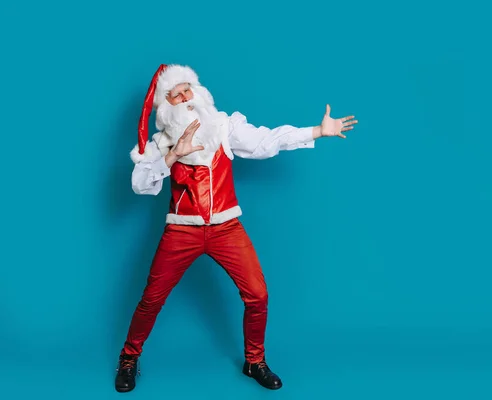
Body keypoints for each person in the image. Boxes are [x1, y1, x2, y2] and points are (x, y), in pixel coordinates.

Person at [115, 63, 358, 393]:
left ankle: (254, 361)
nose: (186, 96)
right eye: (176, 94)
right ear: (165, 105)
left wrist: (316, 131)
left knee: (258, 294)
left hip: (226, 228)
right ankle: (129, 358)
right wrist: (173, 154)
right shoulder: (160, 143)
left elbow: (266, 141)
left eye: (189, 89)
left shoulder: (223, 127)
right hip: (181, 231)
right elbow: (141, 185)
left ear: (199, 92)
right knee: (152, 298)